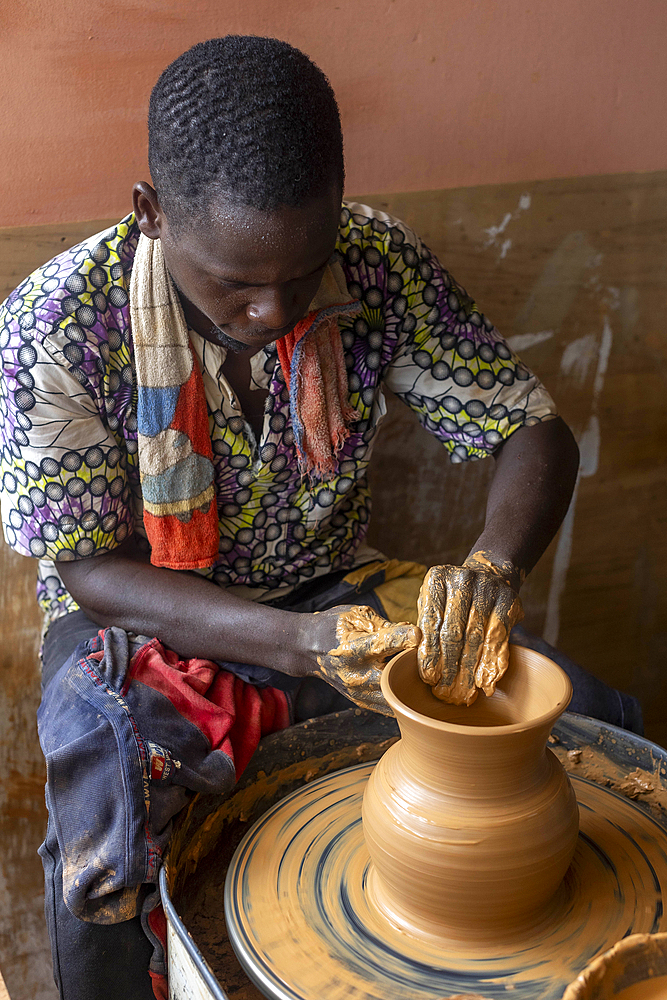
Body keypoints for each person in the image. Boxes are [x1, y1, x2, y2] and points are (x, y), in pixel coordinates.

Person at [0, 35, 641, 1000]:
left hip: (332, 585)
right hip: (134, 617)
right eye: (233, 282)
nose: (272, 310)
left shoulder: (376, 265)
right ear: (153, 213)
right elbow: (91, 572)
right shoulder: (57, 325)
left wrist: (492, 566)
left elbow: (531, 432)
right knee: (112, 820)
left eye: (301, 276)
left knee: (588, 726)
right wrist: (295, 642)